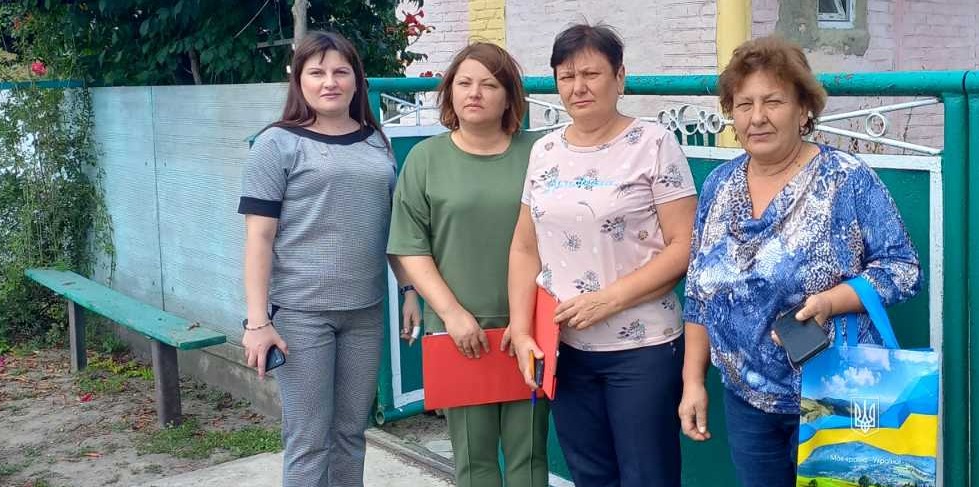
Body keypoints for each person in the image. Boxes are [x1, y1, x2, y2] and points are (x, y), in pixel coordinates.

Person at [677, 36, 921, 487]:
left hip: (834, 391)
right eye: (744, 104)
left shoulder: (846, 179)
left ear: (804, 108)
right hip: (745, 399)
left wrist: (831, 301)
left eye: (773, 101)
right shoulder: (719, 185)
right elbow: (698, 292)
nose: (757, 117)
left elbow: (903, 269)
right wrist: (693, 381)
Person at [506, 23, 698, 487]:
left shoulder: (654, 143)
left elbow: (685, 245)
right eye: (567, 76)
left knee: (648, 476)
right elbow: (525, 246)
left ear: (620, 77)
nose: (579, 87)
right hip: (565, 348)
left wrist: (608, 300)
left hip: (643, 348)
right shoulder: (544, 150)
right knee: (589, 475)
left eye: (591, 74)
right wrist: (522, 328)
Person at [237, 31, 419, 487]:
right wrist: (258, 322)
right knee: (308, 442)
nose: (330, 82)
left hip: (364, 311)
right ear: (299, 80)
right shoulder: (276, 144)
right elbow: (259, 237)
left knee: (350, 435)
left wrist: (409, 288)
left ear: (357, 80)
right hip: (301, 315)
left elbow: (391, 228)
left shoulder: (375, 141)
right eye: (316, 72)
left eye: (341, 71)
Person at [388, 42, 550, 487]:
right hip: (460, 332)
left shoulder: (539, 153)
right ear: (449, 92)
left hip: (529, 328)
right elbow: (410, 247)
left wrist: (528, 321)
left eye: (489, 84)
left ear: (509, 96)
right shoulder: (426, 159)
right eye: (464, 83)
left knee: (530, 457)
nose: (475, 93)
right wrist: (453, 315)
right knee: (474, 461)